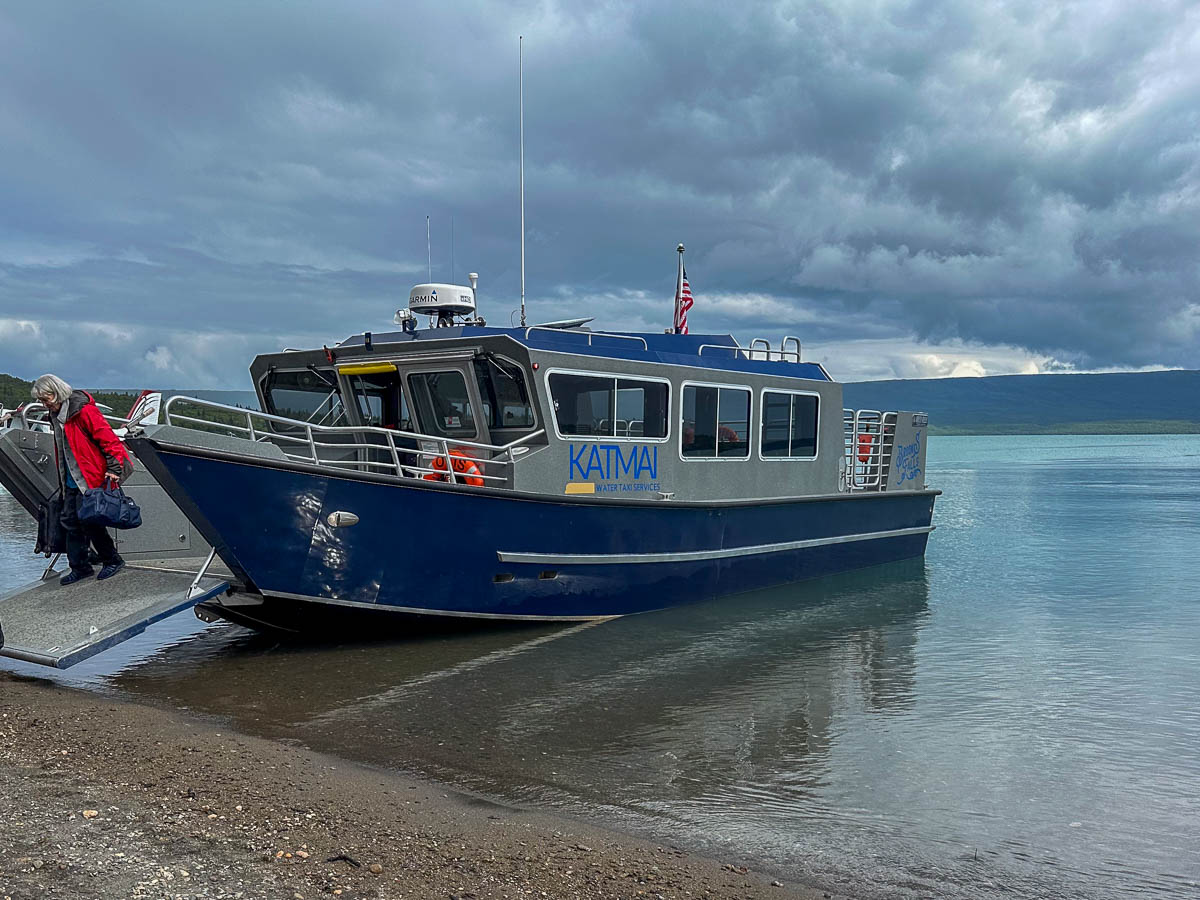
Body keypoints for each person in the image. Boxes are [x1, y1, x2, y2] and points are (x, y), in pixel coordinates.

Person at [32, 374, 133, 585]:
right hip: (70, 479)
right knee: (70, 522)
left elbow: (109, 440)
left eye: (46, 398)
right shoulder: (56, 414)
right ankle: (80, 567)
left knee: (90, 522)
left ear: (57, 393)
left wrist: (114, 468)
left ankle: (112, 560)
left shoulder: (84, 411)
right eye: (41, 400)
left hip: (89, 478)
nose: (44, 403)